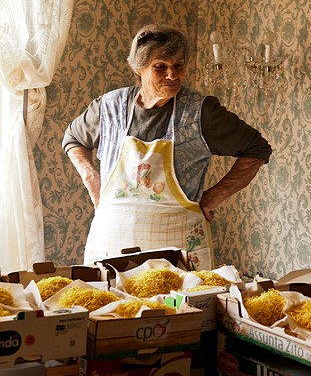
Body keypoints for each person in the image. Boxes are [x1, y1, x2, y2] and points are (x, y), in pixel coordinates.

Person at [62, 25, 272, 268]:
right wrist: (91, 178)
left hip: (178, 251)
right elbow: (73, 139)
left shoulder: (201, 112)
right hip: (111, 247)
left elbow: (257, 148)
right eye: (160, 66)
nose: (172, 75)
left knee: (180, 306)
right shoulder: (109, 107)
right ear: (138, 69)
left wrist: (212, 198)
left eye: (179, 65)